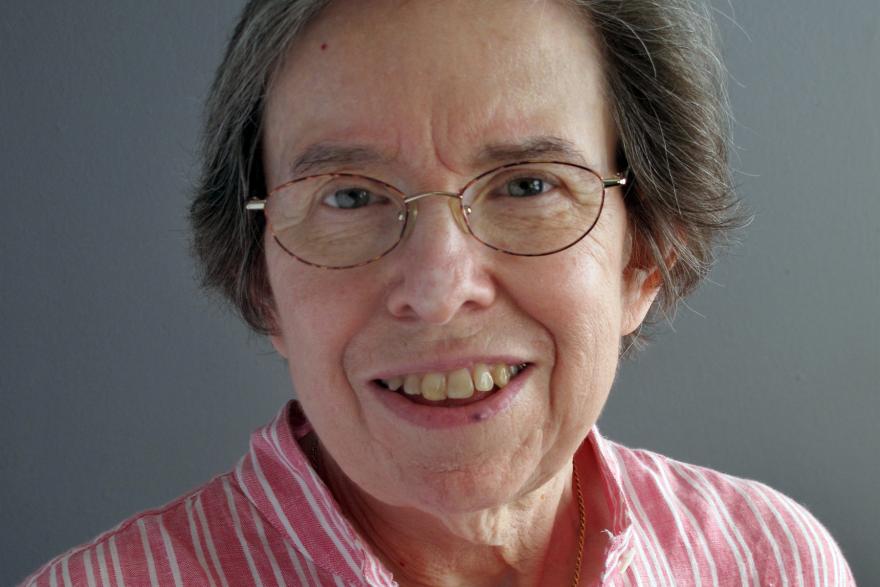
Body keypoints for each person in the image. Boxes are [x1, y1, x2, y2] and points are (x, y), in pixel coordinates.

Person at [22, 0, 856, 585]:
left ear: (644, 254)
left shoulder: (773, 559)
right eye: (349, 196)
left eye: (528, 185)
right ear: (261, 282)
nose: (439, 286)